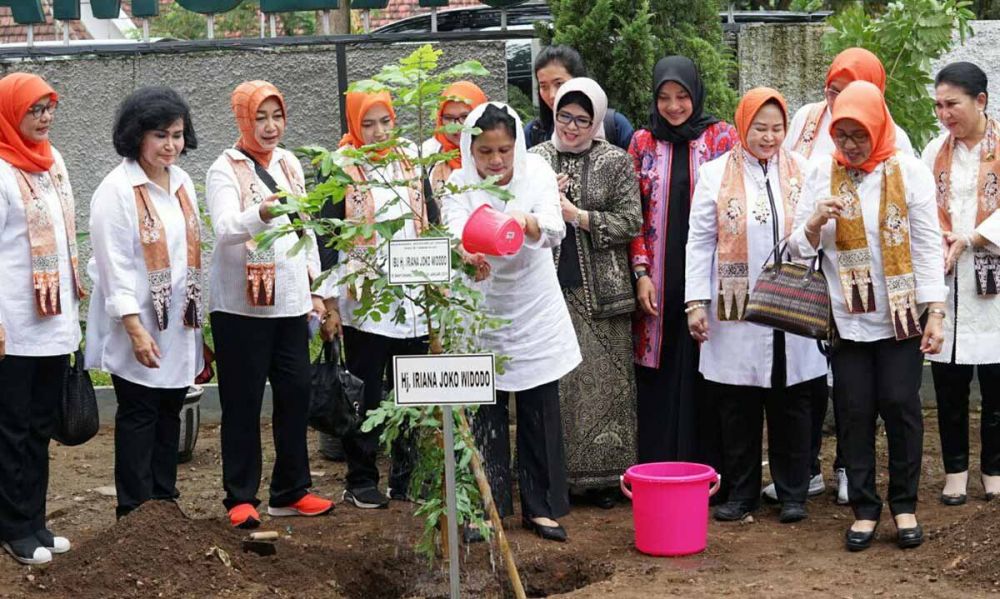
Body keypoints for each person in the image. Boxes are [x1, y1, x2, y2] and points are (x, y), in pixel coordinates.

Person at [789, 81, 947, 551]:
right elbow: (798, 248)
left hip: (900, 318)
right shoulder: (821, 172)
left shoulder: (909, 171)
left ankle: (903, 505)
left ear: (878, 127)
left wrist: (935, 312)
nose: (851, 146)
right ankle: (863, 508)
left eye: (860, 135)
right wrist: (815, 221)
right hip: (846, 318)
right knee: (854, 412)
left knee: (901, 407)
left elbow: (925, 245)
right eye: (843, 136)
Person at [777, 46, 914, 505]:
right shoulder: (813, 137)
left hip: (894, 307)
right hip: (838, 303)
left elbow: (922, 236)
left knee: (894, 401)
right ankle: (842, 482)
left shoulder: (901, 158)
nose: (840, 102)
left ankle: (893, 498)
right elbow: (798, 234)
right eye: (833, 91)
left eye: (854, 93)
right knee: (843, 400)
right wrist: (815, 219)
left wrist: (933, 308)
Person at [685, 87, 827, 523]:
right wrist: (695, 302)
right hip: (737, 312)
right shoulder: (713, 175)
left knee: (794, 400)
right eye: (759, 128)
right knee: (737, 404)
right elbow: (699, 242)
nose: (768, 137)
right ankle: (741, 493)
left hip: (792, 305)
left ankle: (792, 494)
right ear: (742, 125)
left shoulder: (805, 169)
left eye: (777, 128)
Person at [442, 102, 582, 542]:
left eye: (503, 150)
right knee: (486, 411)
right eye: (485, 152)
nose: (496, 161)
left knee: (539, 409)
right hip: (481, 308)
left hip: (533, 305)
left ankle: (540, 507)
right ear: (470, 149)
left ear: (516, 145)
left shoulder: (536, 172)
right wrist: (464, 254)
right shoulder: (457, 182)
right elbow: (451, 229)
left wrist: (528, 221)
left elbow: (555, 227)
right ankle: (488, 509)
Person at [206, 80, 334, 528]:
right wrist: (260, 213)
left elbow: (307, 230)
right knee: (241, 401)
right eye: (260, 117)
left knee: (296, 394)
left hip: (291, 304)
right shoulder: (224, 168)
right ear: (243, 119)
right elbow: (223, 229)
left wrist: (316, 290)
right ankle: (240, 497)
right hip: (241, 309)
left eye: (277, 116)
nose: (270, 126)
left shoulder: (289, 163)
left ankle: (291, 490)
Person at [86, 87, 203, 520]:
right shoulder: (116, 190)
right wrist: (135, 329)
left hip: (178, 321)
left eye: (177, 134)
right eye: (160, 135)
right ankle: (134, 510)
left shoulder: (183, 181)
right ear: (137, 136)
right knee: (139, 413)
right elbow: (113, 266)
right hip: (136, 322)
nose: (171, 145)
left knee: (170, 409)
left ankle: (164, 503)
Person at [530, 78, 641, 508]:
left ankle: (608, 480)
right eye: (564, 116)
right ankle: (558, 481)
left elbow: (632, 220)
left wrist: (580, 216)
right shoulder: (535, 159)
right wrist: (545, 199)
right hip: (547, 290)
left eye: (582, 119)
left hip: (604, 294)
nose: (572, 126)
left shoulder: (616, 160)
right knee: (558, 388)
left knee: (607, 389)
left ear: (596, 120)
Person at [628, 56, 737, 475]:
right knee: (660, 366)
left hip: (707, 272)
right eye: (664, 98)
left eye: (682, 96)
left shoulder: (721, 137)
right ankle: (657, 469)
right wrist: (640, 273)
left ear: (696, 94)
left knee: (706, 366)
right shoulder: (641, 142)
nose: (673, 107)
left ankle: (707, 469)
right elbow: (632, 213)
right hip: (657, 277)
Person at [328, 89, 435, 509]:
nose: (377, 132)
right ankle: (361, 478)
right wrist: (328, 302)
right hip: (366, 301)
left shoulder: (409, 156)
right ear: (355, 125)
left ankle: (406, 477)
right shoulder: (341, 167)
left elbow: (429, 214)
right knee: (367, 394)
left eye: (385, 122)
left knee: (411, 392)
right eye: (367, 123)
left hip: (413, 299)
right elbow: (328, 235)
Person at [0, 73, 82, 565]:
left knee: (39, 427)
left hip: (53, 323)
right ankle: (13, 526)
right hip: (14, 326)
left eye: (50, 107)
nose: (45, 117)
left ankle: (35, 520)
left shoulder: (54, 163)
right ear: (11, 113)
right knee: (10, 428)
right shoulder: (1, 171)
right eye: (35, 109)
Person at [922, 61, 1000, 505]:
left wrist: (972, 236)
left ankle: (994, 468)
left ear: (981, 101)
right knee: (949, 384)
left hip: (995, 285)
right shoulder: (934, 150)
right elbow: (918, 208)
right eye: (938, 105)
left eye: (952, 103)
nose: (944, 113)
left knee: (996, 385)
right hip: (948, 281)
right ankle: (955, 471)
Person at [524, 45, 635, 151]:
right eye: (544, 86)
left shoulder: (615, 126)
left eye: (559, 84)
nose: (552, 95)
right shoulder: (533, 133)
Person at [422, 80, 488, 192]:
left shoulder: (495, 150)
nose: (456, 126)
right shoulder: (428, 153)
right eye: (448, 118)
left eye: (464, 117)